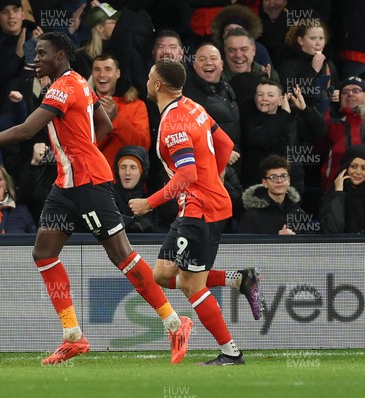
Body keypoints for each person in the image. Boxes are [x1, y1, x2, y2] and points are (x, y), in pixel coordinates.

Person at [0, 32, 192, 365]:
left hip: (88, 184)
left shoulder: (62, 87)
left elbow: (26, 130)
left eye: (42, 53)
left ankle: (176, 323)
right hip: (67, 184)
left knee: (122, 256)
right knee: (44, 252)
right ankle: (73, 336)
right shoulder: (79, 84)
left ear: (60, 55)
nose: (36, 59)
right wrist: (77, 152)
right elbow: (104, 124)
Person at [129, 58, 262, 365]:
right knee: (162, 274)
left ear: (158, 84)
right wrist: (214, 180)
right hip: (199, 206)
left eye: (150, 77)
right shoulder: (192, 106)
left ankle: (231, 353)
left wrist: (148, 203)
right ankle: (240, 279)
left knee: (190, 284)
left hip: (200, 210)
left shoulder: (174, 123)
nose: (147, 81)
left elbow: (187, 175)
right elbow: (226, 145)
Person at [92, 54, 150, 174]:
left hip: (128, 184)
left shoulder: (136, 105)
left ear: (118, 73)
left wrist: (116, 118)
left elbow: (142, 146)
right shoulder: (83, 107)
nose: (102, 74)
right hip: (94, 181)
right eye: (97, 69)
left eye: (108, 69)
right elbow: (82, 150)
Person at [279, 19, 340, 114]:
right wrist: (313, 70)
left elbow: (337, 88)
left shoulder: (328, 64)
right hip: (300, 119)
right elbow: (292, 96)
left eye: (321, 38)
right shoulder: (290, 65)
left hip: (326, 118)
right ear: (301, 40)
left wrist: (338, 95)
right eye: (313, 38)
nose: (318, 43)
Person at [238, 155, 305, 235]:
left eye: (283, 176)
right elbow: (245, 246)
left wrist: (294, 240)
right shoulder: (250, 216)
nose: (279, 181)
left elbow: (309, 246)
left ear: (289, 180)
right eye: (273, 177)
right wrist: (278, 241)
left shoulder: (299, 213)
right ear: (265, 183)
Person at [320, 76, 365, 191]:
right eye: (345, 91)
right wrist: (323, 107)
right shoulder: (331, 124)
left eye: (356, 90)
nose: (350, 94)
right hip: (334, 189)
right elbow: (316, 146)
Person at [320, 145, 365, 234]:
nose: (358, 172)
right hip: (340, 247)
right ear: (345, 168)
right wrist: (338, 193)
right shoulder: (331, 196)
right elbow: (332, 231)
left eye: (364, 168)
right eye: (353, 166)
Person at [113, 146, 153, 233]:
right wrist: (131, 222)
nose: (127, 172)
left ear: (142, 171)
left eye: (133, 167)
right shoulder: (108, 196)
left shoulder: (153, 199)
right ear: (117, 171)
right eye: (123, 167)